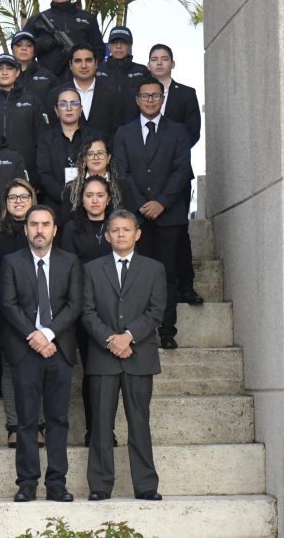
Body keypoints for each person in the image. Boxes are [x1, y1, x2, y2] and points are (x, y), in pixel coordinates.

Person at [0, 205, 82, 503]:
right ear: (25, 229)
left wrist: (47, 334)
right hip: (24, 351)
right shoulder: (11, 262)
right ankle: (27, 483)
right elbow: (7, 305)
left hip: (59, 350)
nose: (39, 230)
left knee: (58, 420)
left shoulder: (70, 262)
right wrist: (33, 336)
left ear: (54, 229)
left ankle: (57, 483)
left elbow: (74, 305)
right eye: (33, 224)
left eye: (45, 224)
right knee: (26, 421)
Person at [81, 209, 164, 502]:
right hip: (103, 358)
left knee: (139, 423)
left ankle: (146, 485)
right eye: (114, 230)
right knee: (101, 425)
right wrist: (110, 340)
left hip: (139, 356)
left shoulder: (154, 269)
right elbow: (87, 312)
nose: (120, 234)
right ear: (107, 236)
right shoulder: (91, 269)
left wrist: (128, 337)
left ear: (137, 234)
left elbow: (156, 312)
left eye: (126, 230)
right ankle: (100, 485)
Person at [112, 77, 192, 350]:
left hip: (169, 216)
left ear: (163, 99)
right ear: (137, 100)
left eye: (155, 96)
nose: (150, 100)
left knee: (167, 275)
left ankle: (167, 331)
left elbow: (182, 171)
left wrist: (161, 203)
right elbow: (121, 172)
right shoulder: (123, 132)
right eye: (145, 96)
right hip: (136, 216)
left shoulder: (178, 131)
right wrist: (142, 204)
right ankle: (137, 331)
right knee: (135, 276)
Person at [58, 175, 114, 446]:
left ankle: (107, 429)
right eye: (89, 195)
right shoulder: (71, 228)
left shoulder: (117, 225)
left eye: (99, 195)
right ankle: (94, 430)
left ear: (108, 198)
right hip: (85, 308)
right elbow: (70, 267)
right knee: (93, 371)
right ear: (81, 199)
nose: (94, 200)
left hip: (116, 307)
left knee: (111, 374)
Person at [147, 43, 203, 306]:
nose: (159, 63)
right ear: (148, 65)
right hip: (146, 175)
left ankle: (186, 286)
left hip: (177, 173)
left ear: (173, 63)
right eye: (154, 59)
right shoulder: (142, 94)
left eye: (164, 58)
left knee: (180, 233)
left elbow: (193, 132)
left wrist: (170, 154)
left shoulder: (186, 94)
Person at [0, 179, 37, 448]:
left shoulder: (42, 229)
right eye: (12, 197)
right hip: (6, 308)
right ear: (5, 203)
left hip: (40, 308)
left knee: (38, 371)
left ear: (32, 199)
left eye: (24, 196)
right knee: (9, 368)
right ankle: (14, 425)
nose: (18, 201)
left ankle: (37, 425)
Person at [23, 0, 104, 79]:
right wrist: (43, 44)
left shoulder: (88, 19)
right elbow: (23, 51)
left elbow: (99, 49)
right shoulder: (37, 20)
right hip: (47, 83)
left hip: (81, 81)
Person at [0, 52, 50, 173]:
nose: (5, 72)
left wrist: (39, 176)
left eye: (9, 68)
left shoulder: (32, 101)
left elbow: (43, 141)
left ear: (17, 72)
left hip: (26, 172)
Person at [48, 44, 123, 140]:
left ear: (96, 63)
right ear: (70, 65)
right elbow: (52, 132)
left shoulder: (112, 94)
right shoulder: (55, 95)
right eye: (78, 61)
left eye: (88, 60)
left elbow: (116, 132)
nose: (83, 66)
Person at [37, 88, 89, 213]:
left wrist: (85, 197)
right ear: (56, 110)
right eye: (63, 104)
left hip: (88, 205)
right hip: (55, 207)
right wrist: (67, 197)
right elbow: (44, 175)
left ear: (81, 109)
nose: (69, 108)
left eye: (74, 103)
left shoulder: (94, 137)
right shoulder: (46, 139)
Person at [59, 137, 128, 225]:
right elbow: (65, 222)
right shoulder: (71, 188)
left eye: (100, 153)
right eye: (90, 154)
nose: (96, 157)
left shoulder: (123, 186)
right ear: (84, 158)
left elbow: (130, 220)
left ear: (108, 157)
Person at [0, 31, 57, 101]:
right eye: (19, 45)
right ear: (12, 50)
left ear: (34, 50)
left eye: (29, 45)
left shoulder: (48, 77)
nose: (24, 48)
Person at [97, 26, 149, 120]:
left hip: (133, 128)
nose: (118, 46)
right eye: (114, 42)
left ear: (130, 46)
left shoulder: (142, 71)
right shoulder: (97, 70)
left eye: (123, 42)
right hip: (103, 128)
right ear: (109, 45)